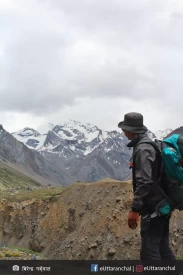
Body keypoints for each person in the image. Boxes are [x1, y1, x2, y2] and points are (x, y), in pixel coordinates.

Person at [118, 112, 175, 260]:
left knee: (149, 253)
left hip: (153, 208)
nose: (124, 132)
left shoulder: (143, 149)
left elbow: (145, 180)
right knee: (162, 249)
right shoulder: (148, 145)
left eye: (125, 129)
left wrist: (135, 209)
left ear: (131, 130)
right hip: (162, 205)